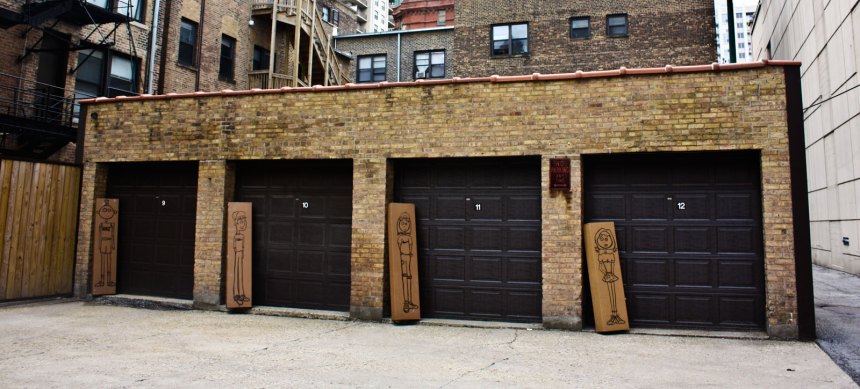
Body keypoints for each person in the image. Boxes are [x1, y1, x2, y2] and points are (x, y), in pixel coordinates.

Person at [595, 228, 625, 326]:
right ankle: (613, 314)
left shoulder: (611, 254)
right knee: (610, 293)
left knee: (613, 294)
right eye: (602, 240)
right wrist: (606, 273)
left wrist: (611, 273)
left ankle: (615, 314)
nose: (605, 242)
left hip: (612, 275)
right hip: (608, 276)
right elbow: (600, 267)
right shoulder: (601, 255)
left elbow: (613, 265)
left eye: (607, 239)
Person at [397, 212, 419, 313]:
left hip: (408, 257)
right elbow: (398, 248)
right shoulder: (400, 237)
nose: (404, 225)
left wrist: (410, 253)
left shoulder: (409, 237)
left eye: (406, 223)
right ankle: (405, 301)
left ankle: (410, 301)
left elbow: (411, 247)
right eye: (403, 223)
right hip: (402, 257)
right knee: (404, 276)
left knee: (409, 276)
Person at [96, 200, 116, 288]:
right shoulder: (101, 224)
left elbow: (113, 235)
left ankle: (108, 280)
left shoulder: (112, 225)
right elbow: (99, 235)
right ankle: (102, 280)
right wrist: (99, 245)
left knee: (108, 261)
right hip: (104, 242)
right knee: (103, 261)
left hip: (108, 242)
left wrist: (113, 244)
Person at [232, 211, 250, 306]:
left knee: (241, 273)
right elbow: (234, 245)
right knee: (236, 273)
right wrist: (236, 250)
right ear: (236, 223)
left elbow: (242, 245)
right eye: (241, 220)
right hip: (236, 254)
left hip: (240, 253)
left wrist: (242, 251)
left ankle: (242, 294)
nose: (244, 223)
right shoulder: (235, 236)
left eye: (244, 220)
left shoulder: (242, 235)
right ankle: (236, 295)